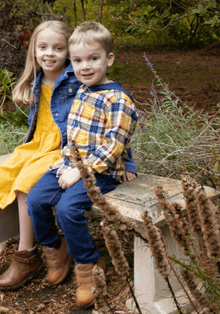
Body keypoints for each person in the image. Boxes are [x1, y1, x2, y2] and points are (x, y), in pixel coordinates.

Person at [0, 20, 136, 291]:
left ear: (68, 52)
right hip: (38, 145)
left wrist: (129, 161)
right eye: (42, 47)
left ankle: (26, 254)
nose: (49, 54)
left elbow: (114, 131)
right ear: (33, 50)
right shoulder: (40, 79)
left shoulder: (77, 79)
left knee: (26, 184)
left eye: (58, 48)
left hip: (61, 149)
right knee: (3, 173)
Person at [26, 21, 138, 308]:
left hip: (99, 173)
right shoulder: (81, 90)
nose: (84, 66)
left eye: (93, 58)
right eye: (77, 60)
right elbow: (73, 136)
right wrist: (67, 166)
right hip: (68, 165)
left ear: (109, 59)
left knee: (68, 209)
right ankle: (55, 248)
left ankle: (89, 263)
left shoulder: (118, 100)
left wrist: (81, 171)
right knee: (36, 200)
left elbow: (115, 144)